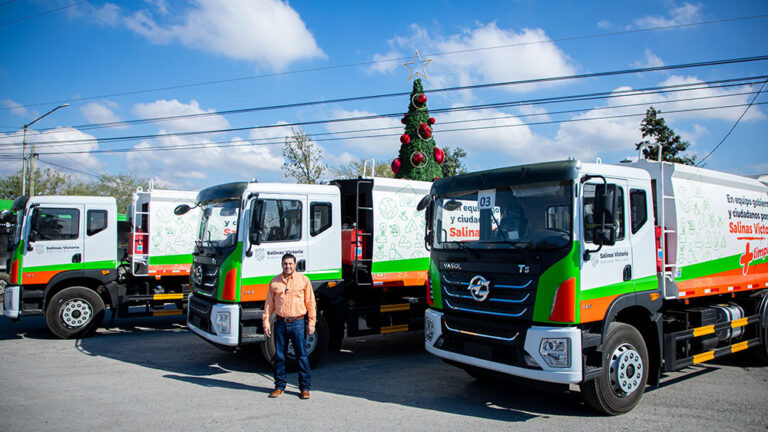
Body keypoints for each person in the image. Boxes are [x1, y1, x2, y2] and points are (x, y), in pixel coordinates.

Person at [263, 253, 316, 399]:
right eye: (285, 264)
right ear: (282, 265)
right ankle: (279, 386)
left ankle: (304, 388)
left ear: (295, 265)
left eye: (290, 263)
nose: (288, 266)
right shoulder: (274, 282)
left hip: (298, 323)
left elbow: (310, 303)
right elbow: (269, 304)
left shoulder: (303, 280)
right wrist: (266, 321)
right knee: (280, 356)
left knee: (301, 356)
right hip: (280, 323)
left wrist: (312, 322)